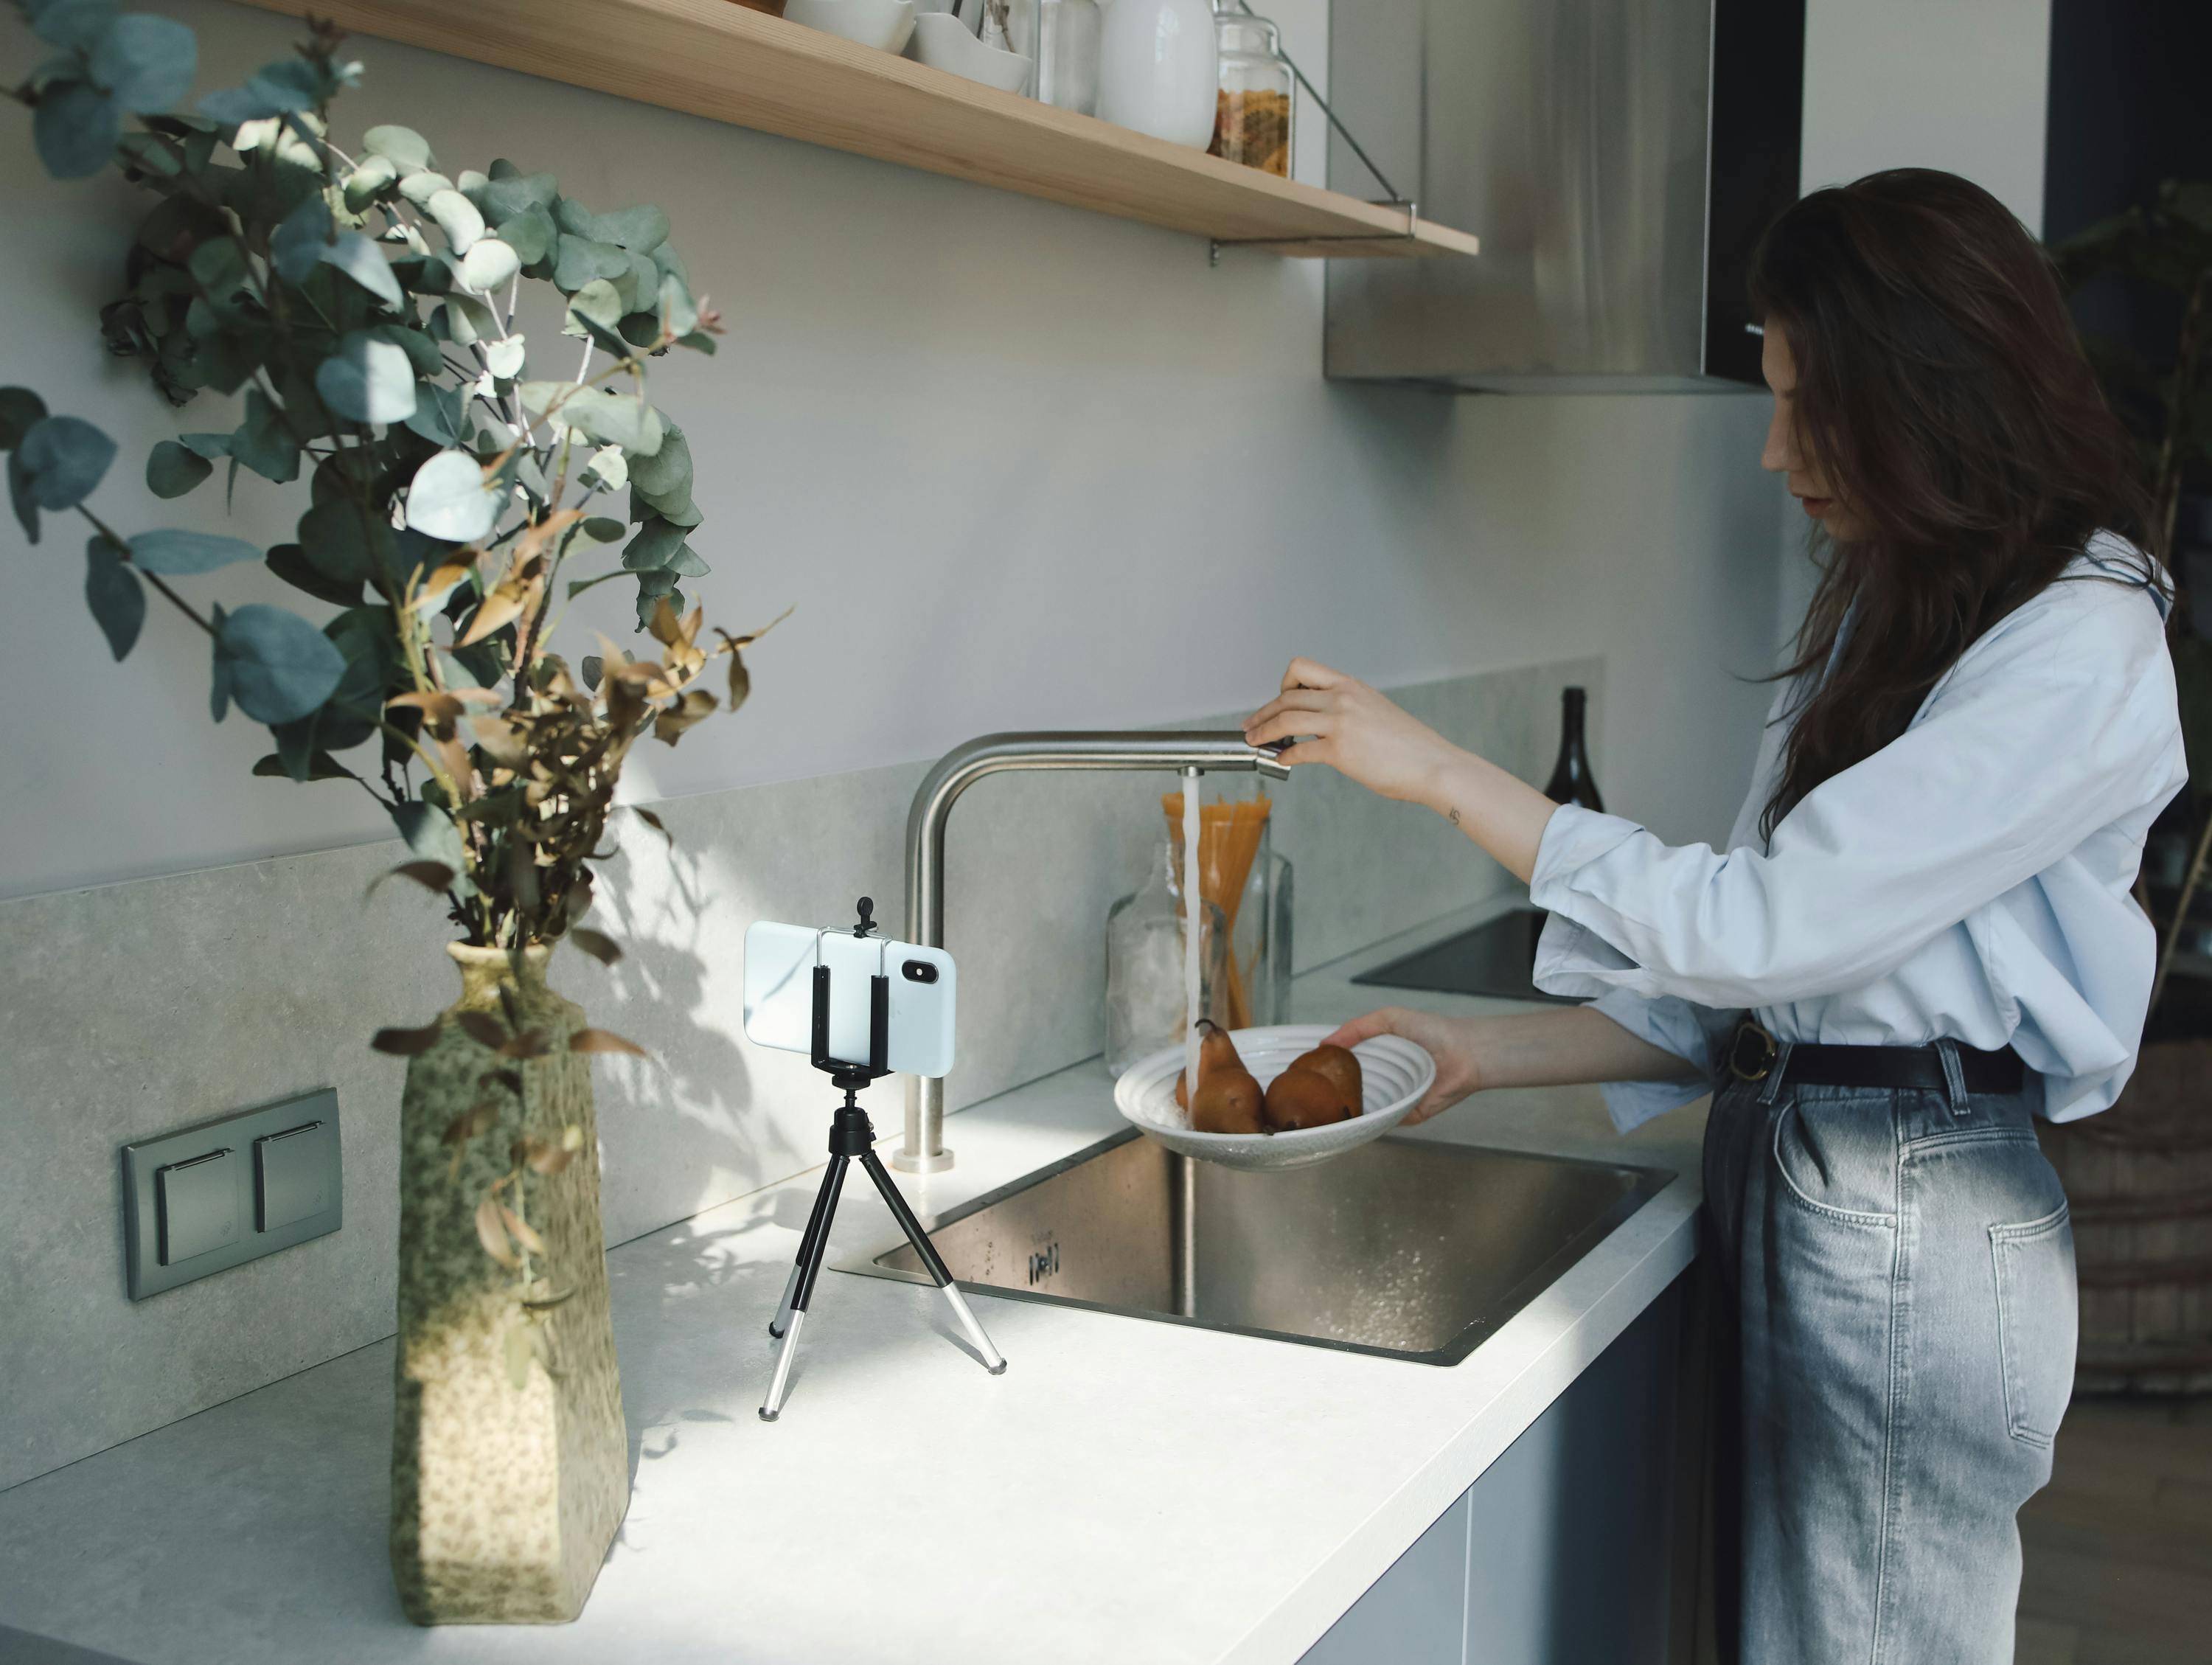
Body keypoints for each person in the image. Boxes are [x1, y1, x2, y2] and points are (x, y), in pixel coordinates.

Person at [1242, 169, 2186, 1665]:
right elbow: (1769, 996)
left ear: (1929, 391)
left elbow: (1770, 926)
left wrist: (1446, 778)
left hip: (1912, 1218)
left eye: (1809, 406)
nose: (1772, 451)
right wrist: (1485, 1051)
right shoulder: (1901, 604)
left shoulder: (2084, 635)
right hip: (1821, 1185)